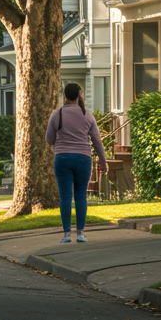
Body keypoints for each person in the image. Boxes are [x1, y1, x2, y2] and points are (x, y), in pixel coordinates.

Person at [45, 82, 108, 244]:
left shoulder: (56, 114)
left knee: (65, 197)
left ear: (65, 96)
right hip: (83, 159)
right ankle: (80, 233)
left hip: (62, 158)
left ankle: (66, 234)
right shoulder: (87, 115)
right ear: (79, 95)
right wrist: (103, 162)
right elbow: (97, 142)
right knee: (80, 196)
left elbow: (49, 139)